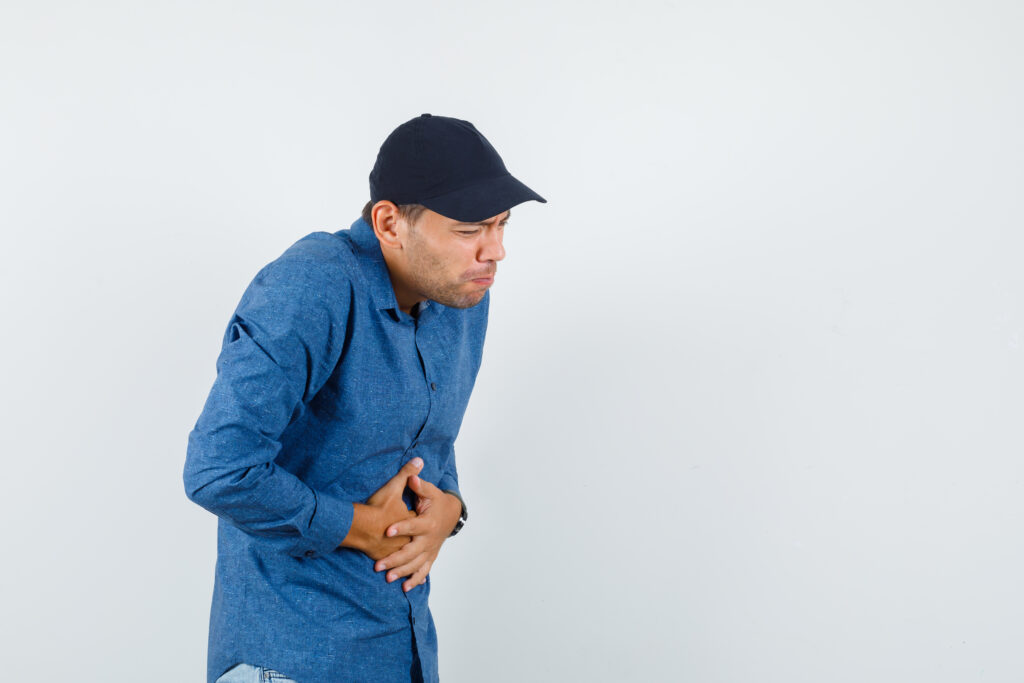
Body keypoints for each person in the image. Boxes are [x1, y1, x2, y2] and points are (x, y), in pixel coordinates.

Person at [183, 113, 545, 683]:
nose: (494, 251)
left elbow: (426, 445)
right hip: (295, 653)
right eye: (470, 228)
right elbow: (218, 469)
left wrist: (449, 509)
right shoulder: (310, 286)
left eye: (500, 225)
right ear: (389, 222)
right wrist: (354, 525)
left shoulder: (458, 293)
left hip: (400, 649)